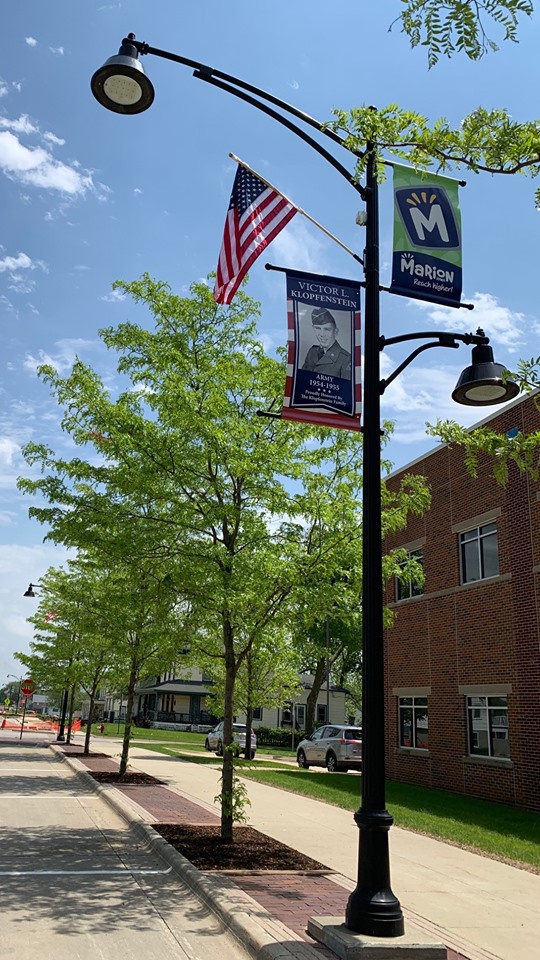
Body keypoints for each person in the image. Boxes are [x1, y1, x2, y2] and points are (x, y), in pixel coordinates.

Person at [301, 307, 352, 379]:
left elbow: (346, 388)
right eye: (318, 328)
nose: (322, 334)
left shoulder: (346, 359)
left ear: (335, 332)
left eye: (327, 329)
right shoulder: (312, 352)